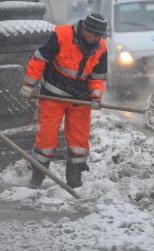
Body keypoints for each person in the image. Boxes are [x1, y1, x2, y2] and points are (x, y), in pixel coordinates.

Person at [20, 13, 108, 189]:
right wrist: (29, 84)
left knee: (79, 142)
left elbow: (97, 77)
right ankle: (37, 178)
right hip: (53, 94)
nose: (95, 38)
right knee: (47, 138)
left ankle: (74, 180)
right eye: (93, 34)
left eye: (99, 36)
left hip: (80, 99)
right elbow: (40, 59)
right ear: (84, 29)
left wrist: (96, 96)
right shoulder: (61, 35)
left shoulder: (100, 48)